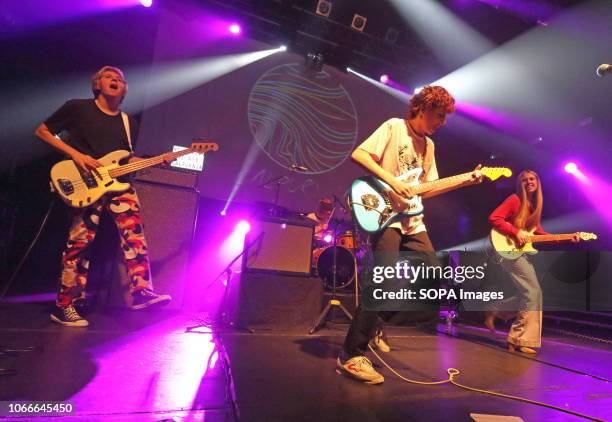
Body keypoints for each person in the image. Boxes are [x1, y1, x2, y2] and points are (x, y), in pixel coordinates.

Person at [336, 86, 482, 384]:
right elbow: (359, 154)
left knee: (430, 274)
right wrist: (392, 181)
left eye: (444, 118)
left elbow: (431, 186)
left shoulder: (428, 147)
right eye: (439, 115)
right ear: (422, 108)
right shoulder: (394, 127)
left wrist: (466, 181)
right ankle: (351, 355)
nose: (442, 122)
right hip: (385, 215)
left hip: (414, 221)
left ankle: (376, 322)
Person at [35, 66, 172, 327]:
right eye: (109, 77)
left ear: (124, 90)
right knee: (80, 243)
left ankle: (141, 291)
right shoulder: (77, 107)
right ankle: (65, 305)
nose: (115, 80)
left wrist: (154, 161)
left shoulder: (128, 122)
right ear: (97, 85)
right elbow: (42, 131)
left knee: (135, 235)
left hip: (119, 185)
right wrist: (76, 154)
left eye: (120, 79)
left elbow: (126, 157)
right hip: (84, 183)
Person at [486, 170, 579, 354]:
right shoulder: (515, 199)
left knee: (530, 293)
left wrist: (568, 238)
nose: (529, 182)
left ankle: (497, 310)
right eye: (525, 179)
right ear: (520, 183)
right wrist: (515, 232)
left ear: (538, 181)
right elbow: (494, 218)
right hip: (507, 250)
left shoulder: (533, 205)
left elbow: (538, 233)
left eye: (532, 179)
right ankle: (518, 338)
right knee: (533, 291)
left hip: (518, 252)